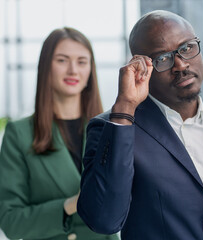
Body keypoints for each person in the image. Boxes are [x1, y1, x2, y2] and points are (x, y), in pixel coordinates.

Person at [77, 10, 203, 240]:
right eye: (163, 58)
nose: (181, 65)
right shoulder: (113, 127)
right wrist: (124, 109)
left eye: (187, 48)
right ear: (142, 67)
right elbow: (103, 219)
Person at [0, 27, 119, 240]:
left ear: (90, 70)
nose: (73, 70)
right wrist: (70, 204)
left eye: (82, 61)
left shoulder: (110, 130)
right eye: (62, 60)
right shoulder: (19, 134)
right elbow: (10, 221)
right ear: (46, 66)